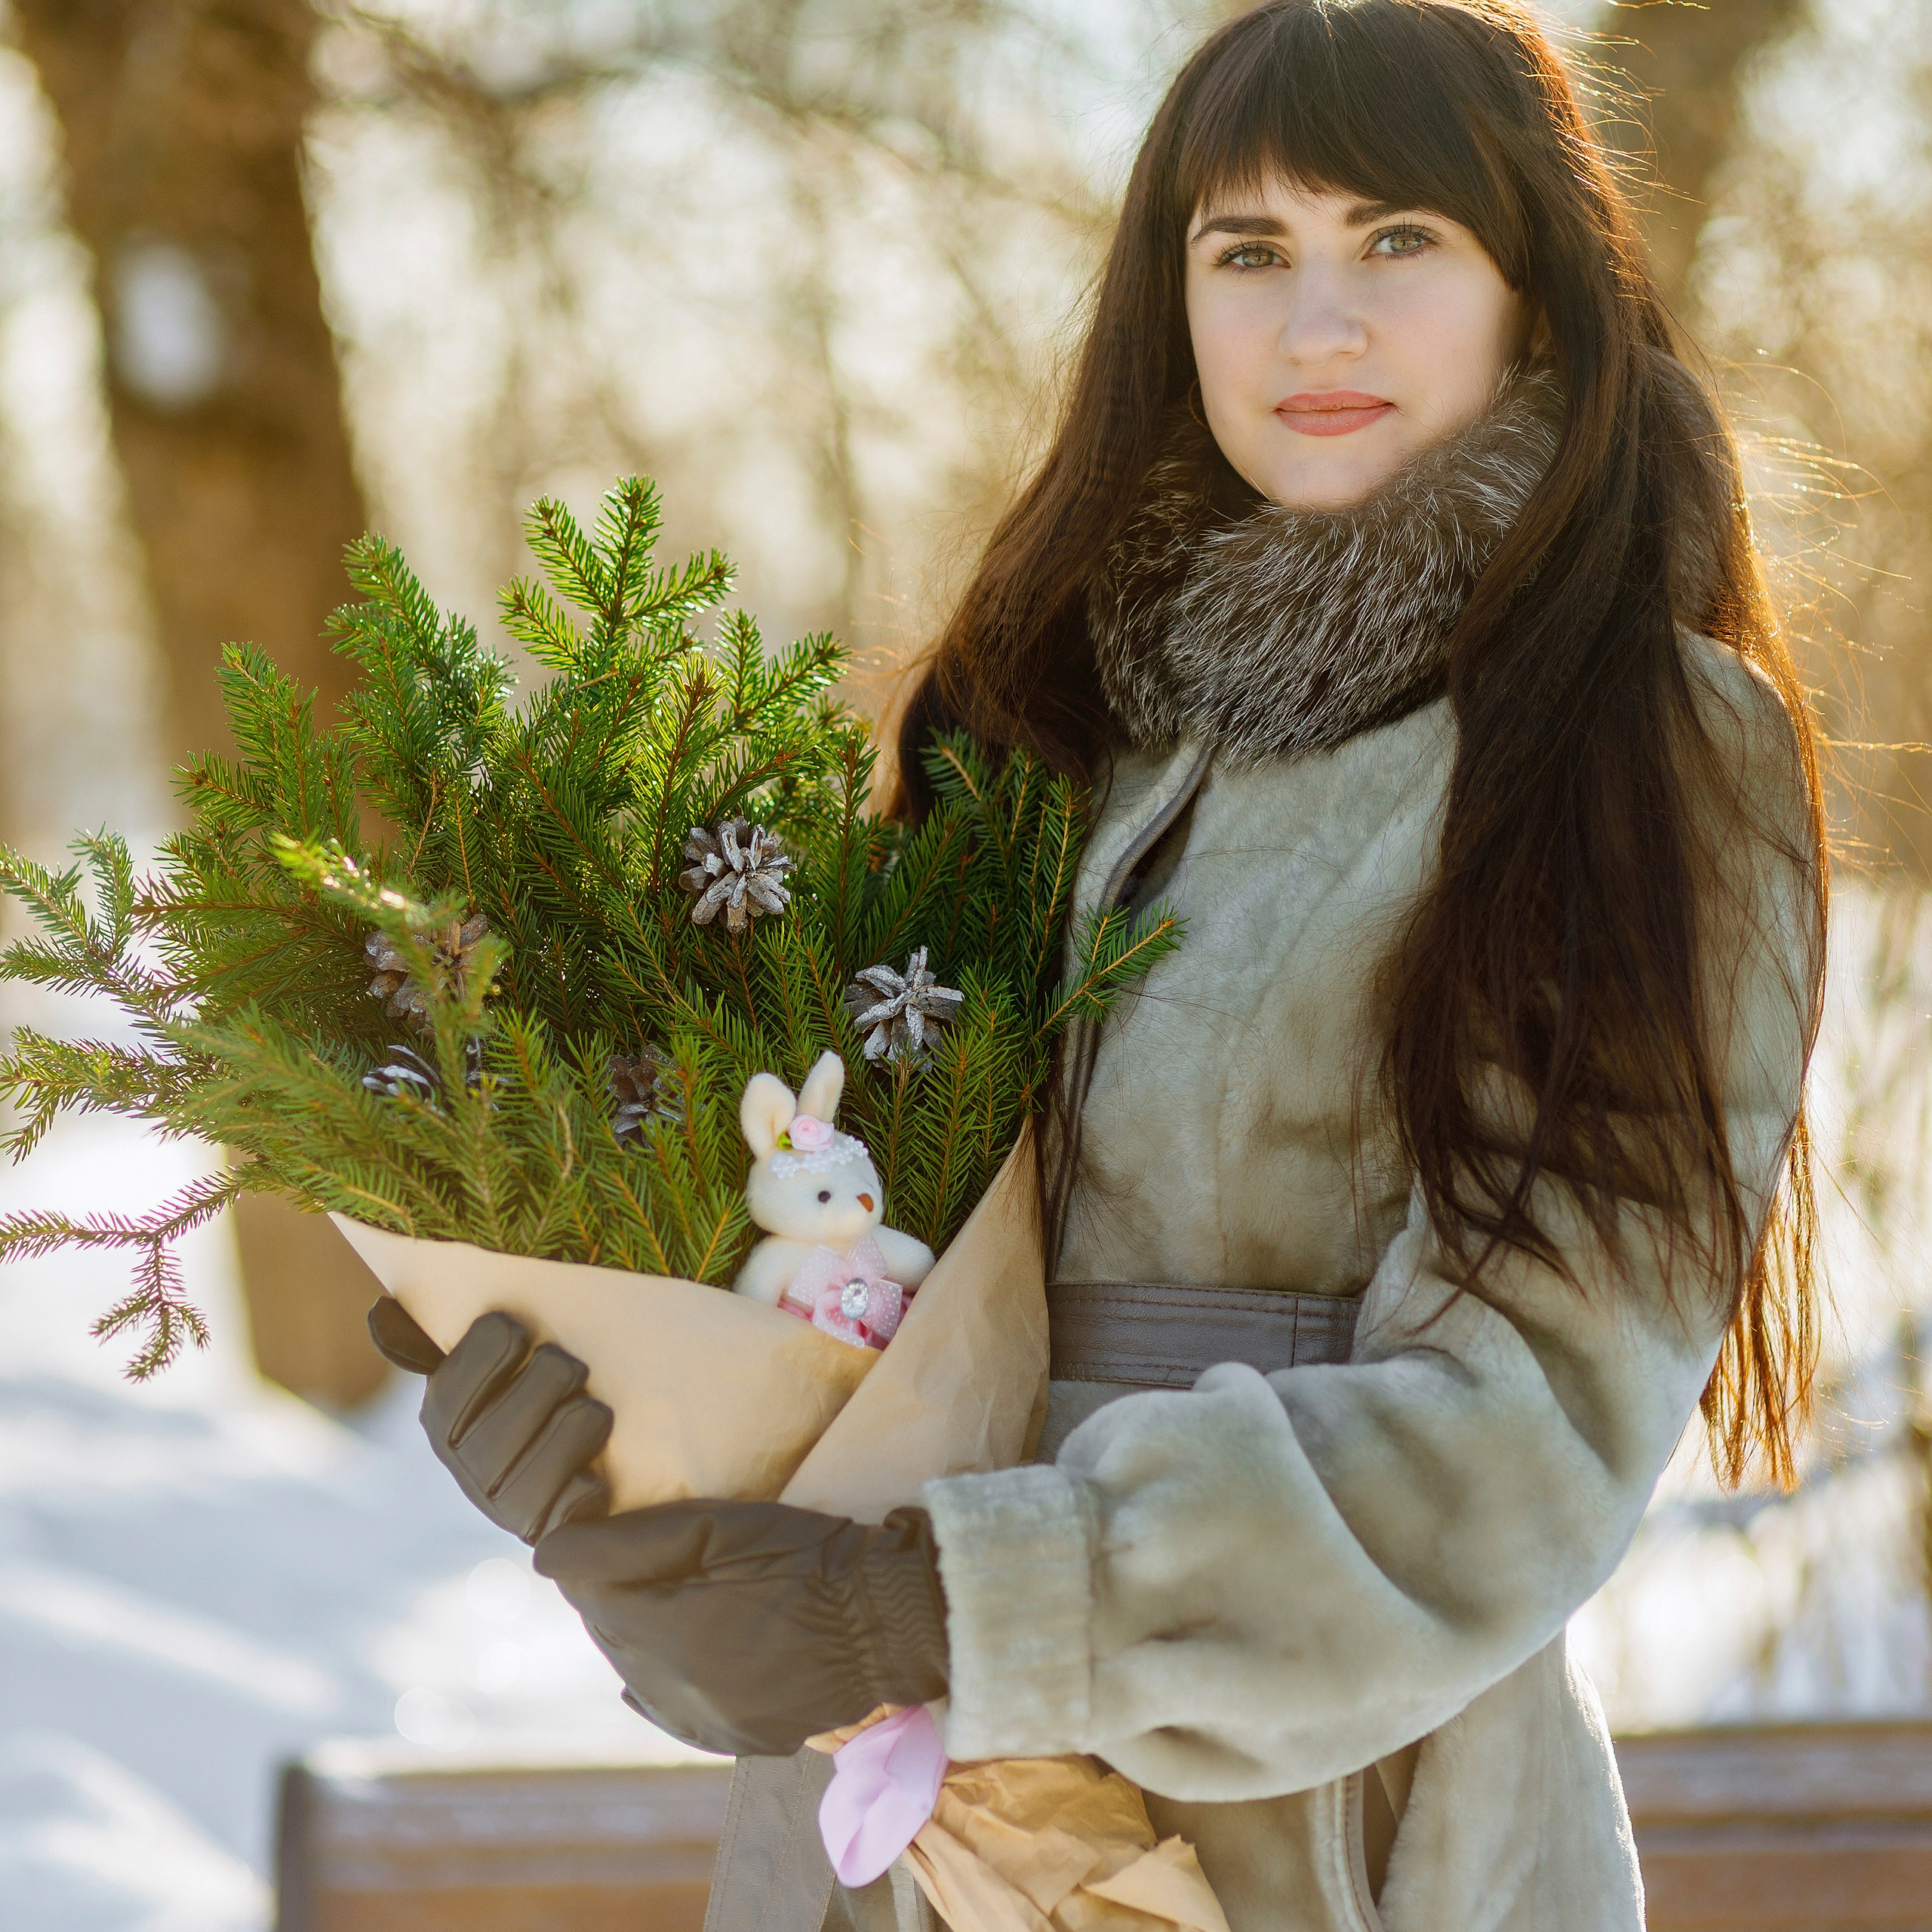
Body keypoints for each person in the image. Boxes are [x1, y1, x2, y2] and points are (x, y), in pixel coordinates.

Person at [369, 3, 1826, 1927]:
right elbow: (842, 1246)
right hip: (888, 1849)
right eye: (1249, 253)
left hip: (1330, 1857)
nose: (1317, 325)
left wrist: (927, 1602)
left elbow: (1521, 1425)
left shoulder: (1632, 740)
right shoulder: (1042, 723)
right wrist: (616, 1422)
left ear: (1534, 295)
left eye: (1397, 240)